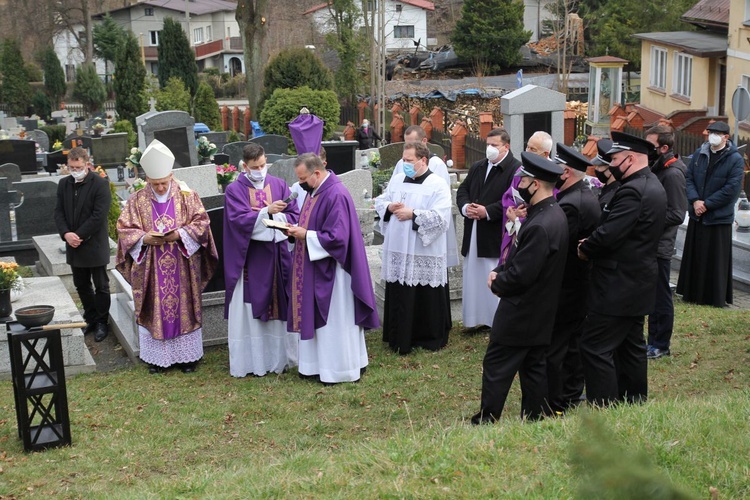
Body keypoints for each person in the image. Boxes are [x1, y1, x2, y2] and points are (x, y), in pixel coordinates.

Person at [472, 152, 568, 424]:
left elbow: (522, 275)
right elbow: (520, 257)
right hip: (540, 311)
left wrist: (497, 281)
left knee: (497, 364)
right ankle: (535, 416)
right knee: (533, 366)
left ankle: (487, 418)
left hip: (521, 312)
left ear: (536, 184)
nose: (519, 185)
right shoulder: (551, 213)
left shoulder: (540, 224)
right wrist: (502, 270)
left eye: (523, 180)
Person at [577, 131, 666, 406]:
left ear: (629, 158)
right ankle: (634, 401)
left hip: (617, 284)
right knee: (631, 347)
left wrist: (585, 247)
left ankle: (604, 405)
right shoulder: (651, 184)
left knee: (595, 346)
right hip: (636, 282)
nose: (610, 164)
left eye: (614, 159)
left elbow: (609, 234)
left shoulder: (632, 191)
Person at [116, 140, 218, 374]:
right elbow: (124, 229)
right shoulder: (137, 200)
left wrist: (180, 233)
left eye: (164, 183)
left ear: (171, 175)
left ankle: (187, 358)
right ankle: (157, 359)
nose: (161, 188)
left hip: (183, 264)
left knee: (184, 306)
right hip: (151, 268)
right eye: (155, 184)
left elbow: (202, 223)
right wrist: (143, 239)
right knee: (155, 306)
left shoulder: (187, 196)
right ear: (147, 180)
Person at [286, 153, 380, 384]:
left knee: (336, 321)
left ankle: (339, 369)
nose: (300, 183)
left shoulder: (335, 194)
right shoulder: (315, 191)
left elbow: (338, 238)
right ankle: (315, 366)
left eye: (303, 178)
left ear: (317, 173)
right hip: (316, 265)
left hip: (335, 271)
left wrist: (305, 234)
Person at [223, 143, 300, 377]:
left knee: (280, 304)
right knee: (252, 309)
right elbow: (237, 222)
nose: (260, 170)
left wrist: (284, 218)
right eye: (255, 167)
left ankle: (281, 359)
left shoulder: (278, 184)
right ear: (245, 166)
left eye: (263, 165)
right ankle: (254, 361)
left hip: (277, 255)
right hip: (251, 258)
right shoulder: (234, 190)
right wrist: (265, 212)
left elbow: (295, 213)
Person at [376, 142, 452, 354]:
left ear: (423, 161)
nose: (405, 164)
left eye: (409, 160)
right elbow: (382, 200)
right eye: (404, 159)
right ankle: (398, 334)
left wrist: (414, 214)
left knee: (422, 294)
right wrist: (389, 207)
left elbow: (441, 217)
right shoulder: (398, 179)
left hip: (422, 248)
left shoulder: (437, 184)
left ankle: (426, 337)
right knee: (400, 290)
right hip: (398, 247)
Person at [546, 144, 601, 413]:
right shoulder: (581, 194)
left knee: (560, 344)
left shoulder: (570, 204)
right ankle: (570, 392)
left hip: (568, 285)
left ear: (565, 172)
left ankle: (560, 396)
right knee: (571, 343)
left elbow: (559, 247)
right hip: (577, 285)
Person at [456, 128, 520, 332]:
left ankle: (494, 321)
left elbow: (513, 201)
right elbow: (463, 190)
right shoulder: (478, 166)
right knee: (473, 275)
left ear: (506, 147)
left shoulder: (515, 169)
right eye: (488, 145)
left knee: (491, 274)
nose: (489, 149)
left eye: (494, 145)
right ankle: (474, 319)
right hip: (473, 228)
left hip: (495, 233)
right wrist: (467, 207)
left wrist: (488, 211)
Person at [677, 121, 744, 308]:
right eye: (710, 132)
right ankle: (691, 293)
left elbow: (731, 189)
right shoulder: (700, 154)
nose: (712, 135)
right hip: (698, 214)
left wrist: (707, 204)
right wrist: (695, 200)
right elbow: (689, 178)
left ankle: (713, 297)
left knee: (715, 259)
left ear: (726, 137)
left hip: (718, 217)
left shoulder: (735, 159)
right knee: (695, 256)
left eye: (717, 133)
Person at [54, 146, 112, 342]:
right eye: (71, 167)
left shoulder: (100, 184)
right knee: (81, 285)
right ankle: (91, 318)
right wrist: (66, 234)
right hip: (73, 243)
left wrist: (78, 235)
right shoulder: (64, 184)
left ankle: (103, 321)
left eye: (78, 167)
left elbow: (98, 215)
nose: (74, 170)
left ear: (87, 165)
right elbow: (59, 212)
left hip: (93, 243)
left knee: (101, 285)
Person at [645, 124, 687, 359]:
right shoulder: (658, 167)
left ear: (664, 147)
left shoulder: (672, 174)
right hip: (653, 243)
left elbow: (676, 214)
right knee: (652, 295)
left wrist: (647, 220)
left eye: (651, 146)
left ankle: (661, 343)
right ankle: (652, 340)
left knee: (661, 296)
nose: (646, 149)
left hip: (661, 245)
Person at [389, 125, 459, 267]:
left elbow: (440, 199)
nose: (409, 147)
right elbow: (392, 191)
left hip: (424, 231)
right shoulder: (401, 163)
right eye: (406, 143)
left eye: (413, 143)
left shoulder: (436, 164)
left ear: (424, 141)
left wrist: (414, 214)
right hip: (402, 229)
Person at [500, 131, 554, 265]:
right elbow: (508, 197)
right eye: (527, 147)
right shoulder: (522, 169)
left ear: (546, 154)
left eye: (533, 149)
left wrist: (522, 217)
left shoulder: (551, 174)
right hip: (515, 223)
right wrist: (513, 212)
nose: (527, 151)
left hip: (534, 225)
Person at [591, 138, 619, 210]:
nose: (596, 169)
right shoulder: (609, 186)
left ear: (611, 169)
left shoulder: (609, 198)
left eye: (600, 166)